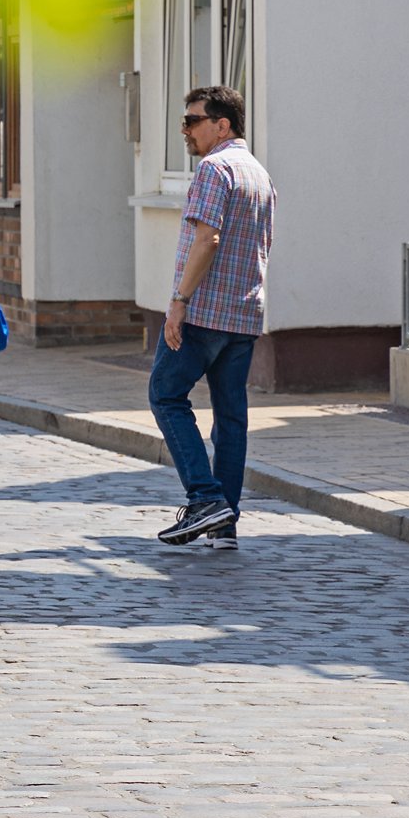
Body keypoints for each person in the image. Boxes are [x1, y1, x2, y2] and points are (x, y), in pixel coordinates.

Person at [147, 84, 276, 550]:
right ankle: (225, 525)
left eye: (193, 120)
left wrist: (179, 301)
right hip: (243, 314)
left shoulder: (214, 168)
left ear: (223, 125)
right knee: (230, 419)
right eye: (183, 120)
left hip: (203, 311)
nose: (185, 130)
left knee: (165, 395)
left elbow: (208, 240)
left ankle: (204, 498)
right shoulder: (259, 174)